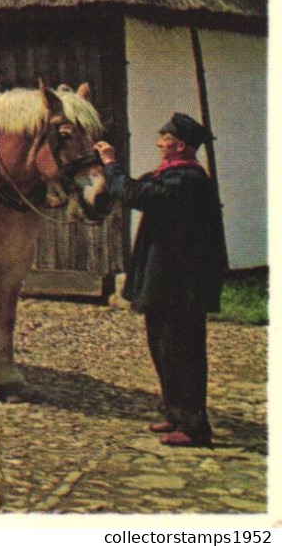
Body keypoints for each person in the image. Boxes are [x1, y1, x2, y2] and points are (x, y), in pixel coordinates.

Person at [95, 112, 228, 448]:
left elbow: (137, 194)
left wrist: (111, 164)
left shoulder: (186, 180)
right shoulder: (173, 175)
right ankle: (174, 412)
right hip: (168, 280)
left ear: (180, 145)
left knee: (183, 351)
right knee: (163, 347)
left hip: (181, 284)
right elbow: (137, 187)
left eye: (164, 138)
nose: (159, 143)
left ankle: (195, 425)